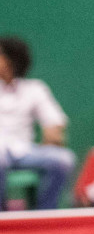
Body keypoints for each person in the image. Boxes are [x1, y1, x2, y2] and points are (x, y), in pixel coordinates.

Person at [0, 37, 76, 210]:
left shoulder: (35, 89)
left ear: (10, 60)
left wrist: (53, 136)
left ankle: (44, 214)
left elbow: (55, 123)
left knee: (64, 159)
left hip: (26, 151)